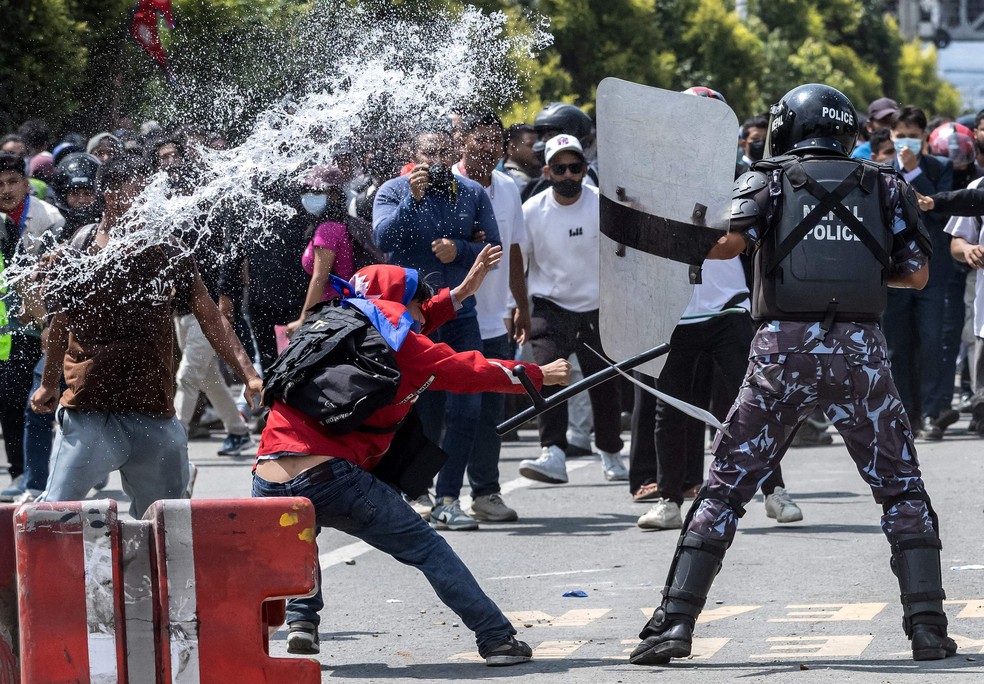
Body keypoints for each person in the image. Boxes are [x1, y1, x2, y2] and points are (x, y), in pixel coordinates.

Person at [630, 84, 956, 665]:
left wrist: (657, 232)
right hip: (861, 352)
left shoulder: (766, 178)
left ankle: (674, 624)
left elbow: (730, 243)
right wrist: (854, 276)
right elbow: (917, 277)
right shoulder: (887, 184)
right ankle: (928, 629)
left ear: (787, 127)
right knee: (900, 487)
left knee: (727, 484)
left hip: (781, 352)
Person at [251, 248, 571, 664]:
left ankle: (302, 624)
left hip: (267, 475)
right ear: (405, 305)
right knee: (428, 549)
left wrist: (456, 295)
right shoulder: (403, 346)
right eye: (422, 304)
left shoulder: (329, 324)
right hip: (330, 476)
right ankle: (496, 639)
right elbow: (466, 368)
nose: (425, 317)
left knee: (301, 530)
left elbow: (403, 320)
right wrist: (535, 375)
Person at [30, 154, 263, 517]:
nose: (147, 203)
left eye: (150, 193)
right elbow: (59, 325)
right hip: (90, 413)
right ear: (109, 195)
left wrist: (248, 374)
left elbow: (211, 319)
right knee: (57, 515)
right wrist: (49, 384)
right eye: (137, 193)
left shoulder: (169, 253)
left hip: (152, 414)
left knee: (168, 526)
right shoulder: (79, 252)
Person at [372, 121, 501, 530]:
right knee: (417, 404)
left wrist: (460, 248)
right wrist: (412, 199)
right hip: (411, 317)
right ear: (413, 157)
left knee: (468, 404)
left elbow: (492, 248)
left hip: (460, 311)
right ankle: (418, 492)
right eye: (428, 154)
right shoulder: (393, 190)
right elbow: (382, 238)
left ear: (453, 156)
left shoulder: (472, 193)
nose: (435, 162)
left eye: (443, 153)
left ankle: (450, 497)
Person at [517, 134, 629, 485]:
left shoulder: (601, 203)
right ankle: (553, 451)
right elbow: (518, 264)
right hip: (550, 309)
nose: (568, 175)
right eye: (560, 168)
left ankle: (610, 452)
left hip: (599, 308)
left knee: (605, 383)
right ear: (547, 171)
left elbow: (622, 255)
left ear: (584, 169)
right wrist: (515, 310)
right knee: (545, 375)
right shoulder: (531, 211)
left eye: (575, 168)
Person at [453, 109, 531, 523]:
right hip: (452, 318)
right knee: (449, 410)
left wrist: (520, 303)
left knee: (489, 413)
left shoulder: (508, 188)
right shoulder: (445, 186)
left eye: (493, 141)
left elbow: (515, 249)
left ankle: (485, 493)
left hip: (495, 320)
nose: (486, 148)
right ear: (461, 141)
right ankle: (436, 494)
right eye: (477, 139)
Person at [883, 106, 954, 439]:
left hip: (933, 272)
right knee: (897, 345)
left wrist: (914, 174)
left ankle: (930, 411)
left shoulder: (940, 169)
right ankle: (905, 413)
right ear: (891, 136)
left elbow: (942, 215)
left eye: (913, 133)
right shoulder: (880, 172)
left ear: (924, 136)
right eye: (901, 134)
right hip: (894, 275)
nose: (906, 140)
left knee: (930, 341)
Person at [0, 152, 63, 500]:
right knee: (10, 400)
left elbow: (53, 275)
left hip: (40, 323)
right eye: (0, 184)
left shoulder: (49, 217)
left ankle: (66, 464)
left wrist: (46, 322)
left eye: (13, 182)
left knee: (40, 398)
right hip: (5, 327)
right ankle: (22, 473)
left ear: (26, 184)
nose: (6, 190)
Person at [287, 165, 384, 337]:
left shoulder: (327, 229)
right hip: (347, 311)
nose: (308, 196)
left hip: (331, 313)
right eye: (306, 190)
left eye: (316, 191)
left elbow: (320, 277)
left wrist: (303, 320)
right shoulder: (345, 223)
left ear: (332, 194)